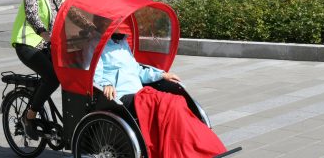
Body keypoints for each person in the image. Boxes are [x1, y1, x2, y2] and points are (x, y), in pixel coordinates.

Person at [94, 32, 227, 158]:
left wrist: (162, 75)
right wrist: (105, 84)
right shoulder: (97, 45)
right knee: (170, 103)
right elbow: (93, 73)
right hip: (121, 96)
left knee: (177, 102)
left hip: (140, 93)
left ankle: (198, 148)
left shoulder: (123, 42)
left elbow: (138, 70)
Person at [11, 0, 95, 140]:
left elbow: (70, 12)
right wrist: (43, 33)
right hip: (29, 42)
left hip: (51, 43)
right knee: (52, 77)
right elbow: (32, 13)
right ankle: (29, 116)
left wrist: (91, 27)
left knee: (74, 70)